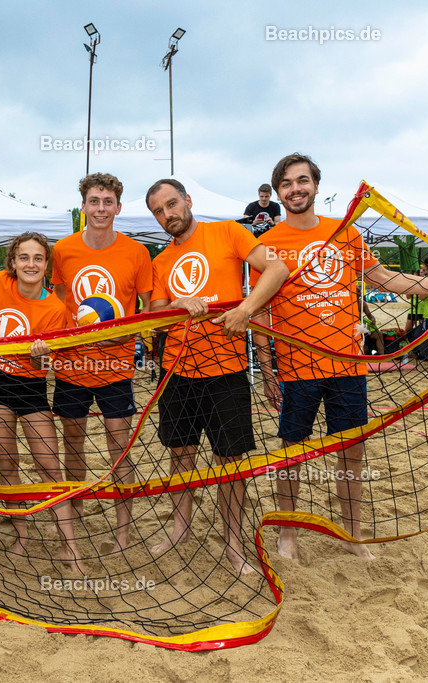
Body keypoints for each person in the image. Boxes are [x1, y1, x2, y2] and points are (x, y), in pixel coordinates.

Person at [249, 153, 428, 563]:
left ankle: (351, 533)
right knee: (291, 453)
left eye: (302, 180)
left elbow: (386, 279)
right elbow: (259, 311)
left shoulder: (345, 234)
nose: (295, 188)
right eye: (286, 183)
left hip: (348, 366)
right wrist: (266, 369)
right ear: (278, 192)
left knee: (351, 454)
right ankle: (288, 534)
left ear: (315, 185)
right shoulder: (267, 244)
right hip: (296, 367)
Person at [145, 178, 289, 574]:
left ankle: (233, 542)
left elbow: (277, 268)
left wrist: (245, 308)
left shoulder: (228, 230)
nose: (167, 215)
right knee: (180, 453)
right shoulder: (159, 261)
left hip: (226, 369)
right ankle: (180, 527)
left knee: (229, 461)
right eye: (158, 211)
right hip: (176, 370)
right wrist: (175, 304)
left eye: (172, 204)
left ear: (188, 201)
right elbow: (155, 316)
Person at [50, 172, 152, 550]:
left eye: (108, 202)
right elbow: (59, 303)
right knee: (73, 444)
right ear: (84, 206)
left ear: (118, 208)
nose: (101, 208)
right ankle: (72, 527)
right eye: (94, 201)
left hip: (117, 367)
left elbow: (145, 309)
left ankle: (123, 532)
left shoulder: (136, 252)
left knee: (118, 447)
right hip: (73, 367)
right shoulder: (62, 250)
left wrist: (128, 334)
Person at [0, 232, 85, 575]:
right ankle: (22, 535)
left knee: (49, 468)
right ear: (13, 262)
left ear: (46, 265)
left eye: (38, 258)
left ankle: (70, 546)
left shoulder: (54, 307)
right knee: (7, 465)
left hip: (31, 387)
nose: (30, 264)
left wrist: (42, 356)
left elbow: (44, 369)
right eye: (24, 257)